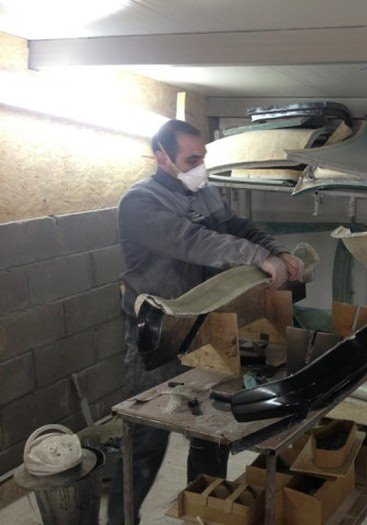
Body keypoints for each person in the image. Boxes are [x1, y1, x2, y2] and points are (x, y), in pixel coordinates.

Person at [107, 119, 304, 524]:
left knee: (212, 429)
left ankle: (204, 513)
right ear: (162, 158)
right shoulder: (140, 203)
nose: (200, 166)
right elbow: (193, 242)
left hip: (207, 324)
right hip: (159, 331)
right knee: (147, 435)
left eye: (203, 157)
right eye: (191, 159)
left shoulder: (204, 191)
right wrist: (258, 258)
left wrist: (276, 250)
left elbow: (237, 227)